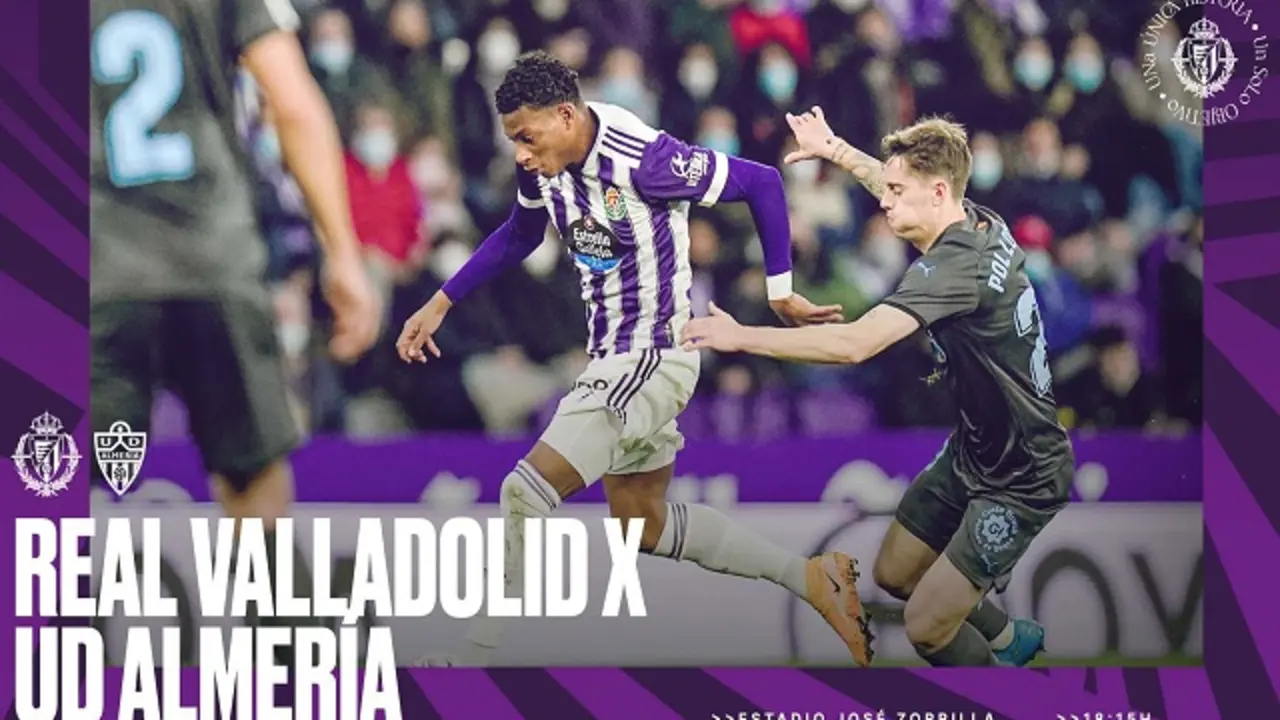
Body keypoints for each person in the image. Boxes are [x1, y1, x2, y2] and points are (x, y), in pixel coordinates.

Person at [396, 51, 874, 667]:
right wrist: (441, 301)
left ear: (565, 116)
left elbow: (761, 181)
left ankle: (471, 662)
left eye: (526, 136)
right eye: (513, 138)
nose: (520, 153)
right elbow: (521, 232)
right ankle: (811, 577)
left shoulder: (644, 158)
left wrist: (780, 293)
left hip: (651, 356)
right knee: (642, 526)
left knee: (523, 490)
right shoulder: (544, 161)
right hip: (614, 360)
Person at [681, 109, 1069, 667]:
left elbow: (854, 345)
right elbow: (894, 181)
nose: (884, 202)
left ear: (938, 192)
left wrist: (741, 336)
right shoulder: (979, 221)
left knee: (927, 628)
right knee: (895, 573)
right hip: (974, 451)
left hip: (1023, 473)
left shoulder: (952, 271)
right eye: (887, 188)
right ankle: (1007, 638)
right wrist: (835, 149)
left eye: (896, 192)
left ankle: (1017, 695)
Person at [90, 0, 380, 653]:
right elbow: (294, 104)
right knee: (252, 484)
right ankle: (286, 669)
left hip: (89, 266)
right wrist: (342, 252)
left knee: (45, 488)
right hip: (210, 256)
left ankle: (44, 674)